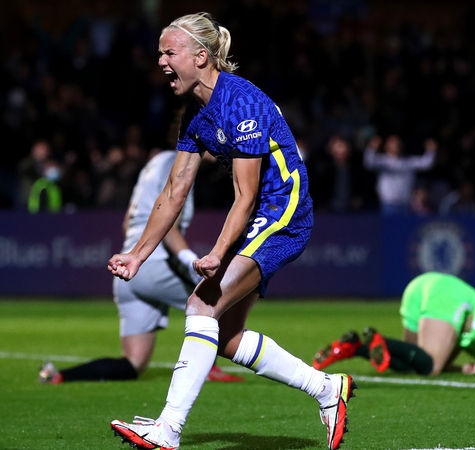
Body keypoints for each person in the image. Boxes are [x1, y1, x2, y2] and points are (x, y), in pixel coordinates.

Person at [106, 13, 354, 450]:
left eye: (169, 52)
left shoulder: (242, 103)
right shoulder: (195, 115)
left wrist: (219, 252)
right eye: (160, 53)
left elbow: (246, 195)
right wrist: (137, 255)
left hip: (284, 212)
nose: (161, 61)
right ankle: (326, 389)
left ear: (201, 57)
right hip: (260, 214)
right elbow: (174, 191)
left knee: (201, 304)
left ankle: (167, 430)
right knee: (225, 337)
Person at [38, 149, 243, 385]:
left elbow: (128, 223)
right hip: (155, 265)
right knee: (216, 301)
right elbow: (169, 228)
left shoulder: (156, 162)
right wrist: (189, 260)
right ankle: (210, 368)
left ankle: (60, 376)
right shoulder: (182, 162)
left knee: (134, 362)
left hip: (130, 273)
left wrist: (135, 254)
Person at [312, 272, 475, 376]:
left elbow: (447, 359)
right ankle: (379, 339)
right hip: (448, 295)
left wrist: (459, 369)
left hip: (421, 285)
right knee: (431, 367)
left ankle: (354, 347)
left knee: (415, 364)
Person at [363, 134, 436, 215]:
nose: (396, 145)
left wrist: (430, 150)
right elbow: (368, 163)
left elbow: (426, 164)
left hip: (406, 203)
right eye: (393, 143)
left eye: (398, 143)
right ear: (386, 146)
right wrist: (372, 147)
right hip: (388, 203)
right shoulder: (382, 161)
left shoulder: (408, 161)